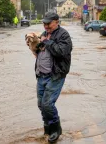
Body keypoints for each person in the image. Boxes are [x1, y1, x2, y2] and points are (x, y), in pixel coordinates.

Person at [35, 12, 72, 143]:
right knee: (41, 104)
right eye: (44, 23)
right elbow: (39, 52)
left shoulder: (64, 35)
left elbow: (62, 52)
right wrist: (33, 42)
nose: (46, 26)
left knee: (47, 104)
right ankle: (47, 127)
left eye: (48, 23)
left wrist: (47, 42)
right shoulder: (44, 34)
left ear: (57, 21)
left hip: (55, 75)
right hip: (41, 75)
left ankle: (56, 128)